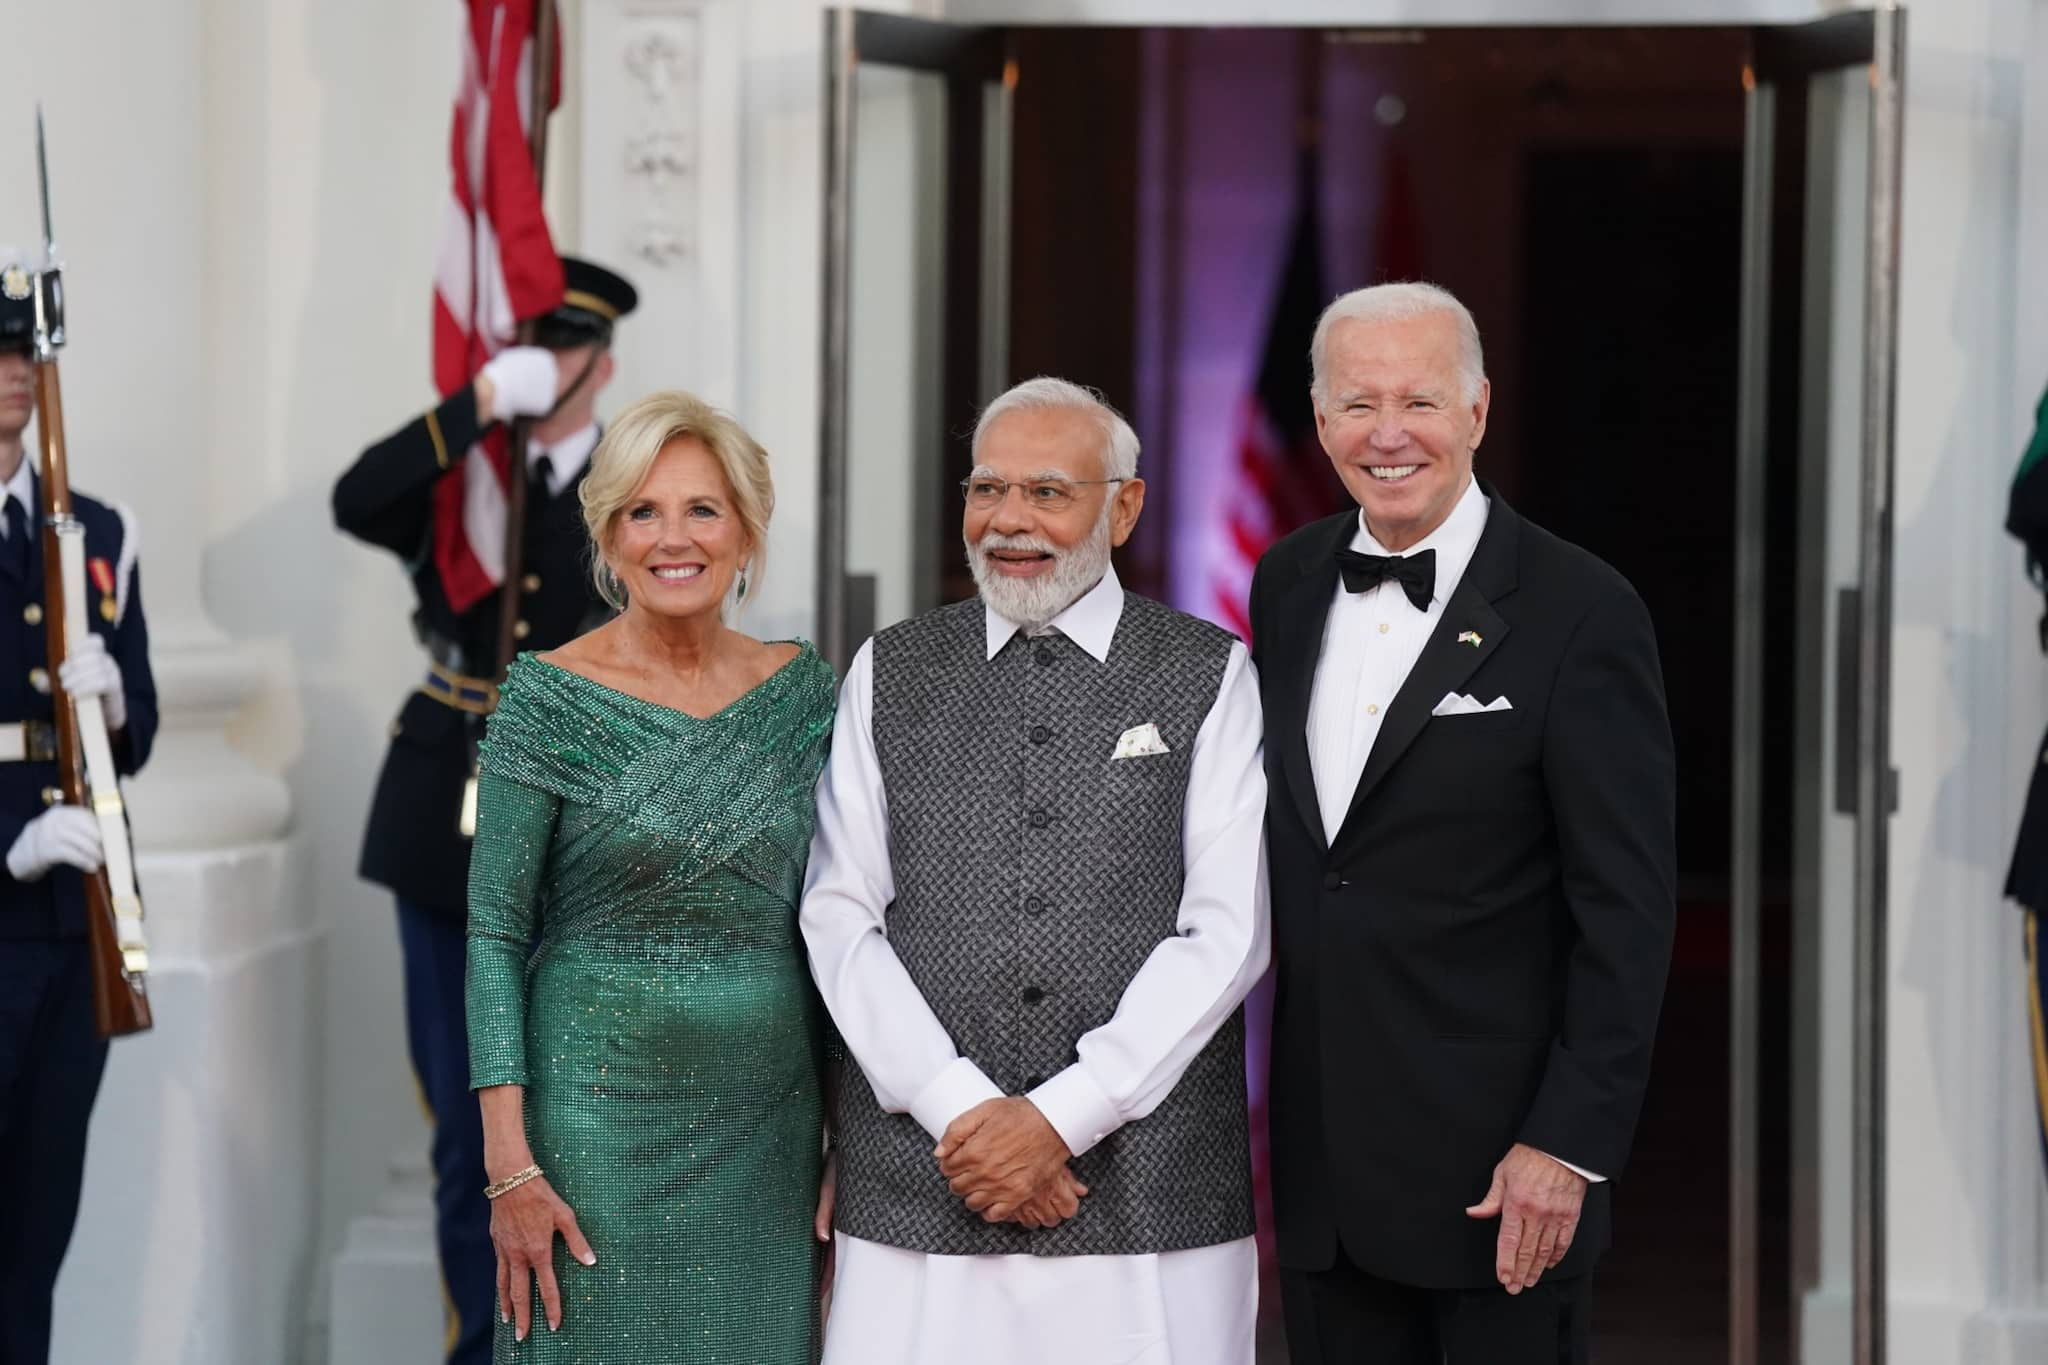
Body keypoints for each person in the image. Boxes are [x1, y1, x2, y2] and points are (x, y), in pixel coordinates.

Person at [801, 376, 1271, 1365]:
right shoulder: (888, 669)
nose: (1006, 520)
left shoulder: (1206, 671)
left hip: (1148, 1187)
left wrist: (1063, 1116)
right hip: (922, 1176)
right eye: (984, 490)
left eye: (1046, 492)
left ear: (1123, 505)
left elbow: (1226, 933)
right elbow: (839, 915)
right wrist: (963, 1112)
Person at [1249, 281, 1676, 1364]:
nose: (1386, 435)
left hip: (1500, 1180)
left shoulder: (1583, 610)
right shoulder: (1288, 582)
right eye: (1356, 404)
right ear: (1317, 417)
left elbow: (1623, 914)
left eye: (1419, 403)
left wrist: (1567, 1145)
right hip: (1323, 1182)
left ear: (1477, 412)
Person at [466, 390, 838, 1361]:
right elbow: (495, 934)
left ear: (747, 531)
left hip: (769, 1128)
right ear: (607, 533)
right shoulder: (545, 697)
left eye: (702, 509)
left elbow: (846, 925)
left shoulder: (808, 694)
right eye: (643, 510)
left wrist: (855, 1138)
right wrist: (508, 1167)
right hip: (591, 1124)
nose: (673, 538)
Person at [331, 257, 636, 1365]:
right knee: (470, 1134)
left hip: (583, 821)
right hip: (442, 821)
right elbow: (355, 498)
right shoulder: (463, 482)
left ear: (602, 363)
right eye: (524, 348)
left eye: (559, 350)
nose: (540, 367)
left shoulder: (630, 483)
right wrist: (472, 411)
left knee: (577, 1123)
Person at [0, 247, 158, 1364]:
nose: (15, 371)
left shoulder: (94, 532)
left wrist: (111, 699)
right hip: (6, 890)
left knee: (38, 1220)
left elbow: (137, 728)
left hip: (78, 914)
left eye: (28, 350)